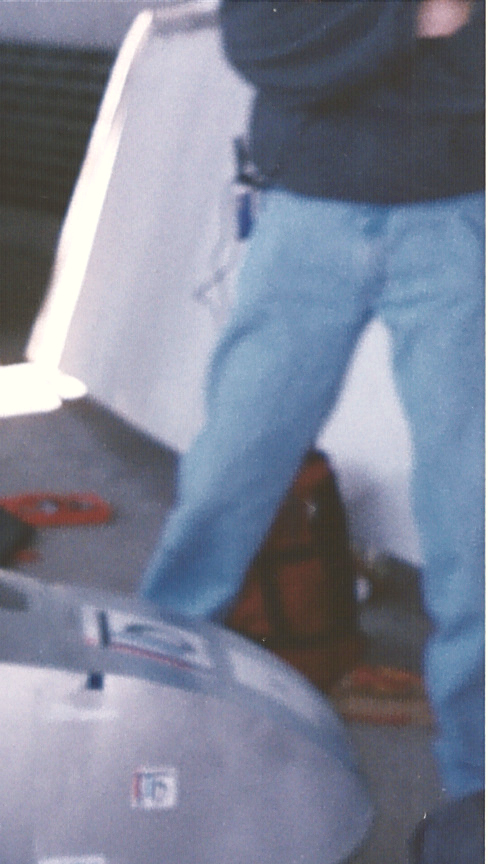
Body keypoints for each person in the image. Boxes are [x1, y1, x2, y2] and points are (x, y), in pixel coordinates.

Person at [138, 0, 483, 800]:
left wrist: (341, 46)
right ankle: (144, 733)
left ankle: (476, 803)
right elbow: (262, 43)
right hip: (308, 220)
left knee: (475, 527)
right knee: (223, 488)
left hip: (459, 220)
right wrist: (408, 23)